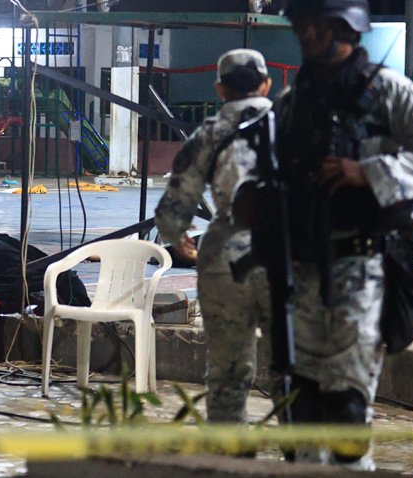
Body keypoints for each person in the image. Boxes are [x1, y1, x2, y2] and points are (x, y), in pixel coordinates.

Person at [276, 0, 413, 469]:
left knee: (345, 414)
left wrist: (372, 172)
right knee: (300, 412)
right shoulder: (293, 100)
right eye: (299, 22)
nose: (302, 32)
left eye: (312, 24)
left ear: (344, 27)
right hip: (297, 273)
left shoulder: (387, 91)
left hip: (359, 271)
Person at [154, 49, 273, 424]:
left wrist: (180, 240)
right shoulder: (296, 127)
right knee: (295, 365)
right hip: (287, 257)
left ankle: (228, 454)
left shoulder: (208, 134)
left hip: (225, 262)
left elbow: (174, 208)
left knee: (227, 368)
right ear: (267, 84)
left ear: (220, 88)